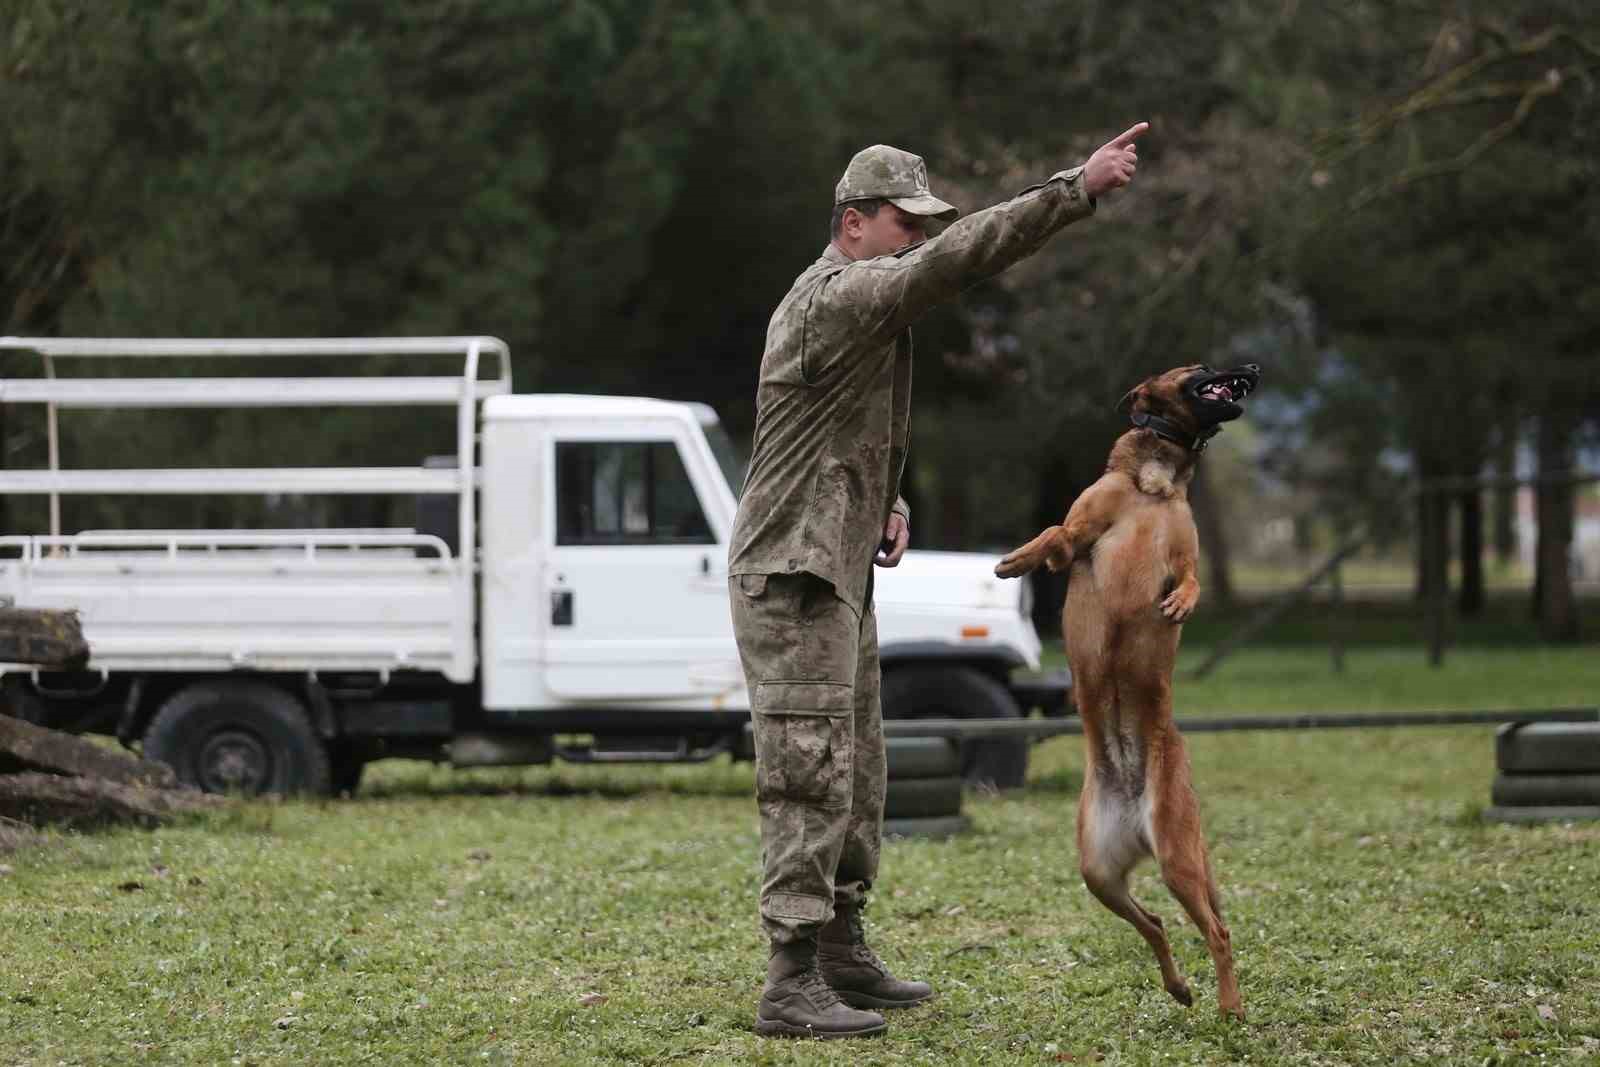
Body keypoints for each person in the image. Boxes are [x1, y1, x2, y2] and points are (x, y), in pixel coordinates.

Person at [728, 123, 1149, 1039]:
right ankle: (789, 978)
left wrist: (888, 496)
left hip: (832, 566)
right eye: (902, 223)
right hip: (794, 575)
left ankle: (840, 948)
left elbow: (827, 433)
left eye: (922, 224)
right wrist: (1073, 188)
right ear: (853, 225)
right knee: (808, 771)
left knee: (858, 766)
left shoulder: (853, 310)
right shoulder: (834, 297)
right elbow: (958, 260)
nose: (916, 239)